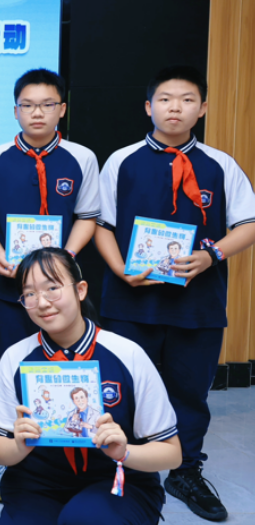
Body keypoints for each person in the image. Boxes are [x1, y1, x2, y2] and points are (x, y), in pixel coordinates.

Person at [94, 65, 255, 522]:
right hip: (130, 301)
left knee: (189, 392)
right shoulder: (122, 160)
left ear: (202, 109)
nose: (175, 108)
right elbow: (102, 224)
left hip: (197, 304)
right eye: (165, 99)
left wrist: (212, 255)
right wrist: (121, 270)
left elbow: (248, 224)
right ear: (149, 107)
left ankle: (184, 472)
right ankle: (121, 467)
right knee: (121, 388)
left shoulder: (221, 165)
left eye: (187, 100)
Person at [0, 248, 182, 525]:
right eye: (29, 293)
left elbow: (172, 454)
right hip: (36, 485)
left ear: (80, 290)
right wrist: (18, 446)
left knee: (84, 518)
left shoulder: (127, 354)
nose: (42, 302)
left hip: (117, 480)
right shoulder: (15, 358)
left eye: (52, 288)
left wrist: (124, 452)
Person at [0, 69, 100, 500]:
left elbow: (88, 216)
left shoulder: (82, 158)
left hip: (59, 291)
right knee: (8, 368)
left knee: (66, 368)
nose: (37, 113)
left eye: (47, 104)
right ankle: (7, 459)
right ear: (15, 111)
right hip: (6, 288)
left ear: (61, 109)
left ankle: (66, 454)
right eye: (28, 105)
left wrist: (63, 259)